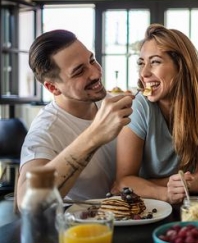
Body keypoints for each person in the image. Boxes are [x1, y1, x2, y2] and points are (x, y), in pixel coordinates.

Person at [17, 29, 134, 207]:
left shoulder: (113, 102)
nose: (95, 73)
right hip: (86, 228)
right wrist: (94, 136)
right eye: (79, 71)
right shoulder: (46, 131)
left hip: (141, 217)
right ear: (53, 88)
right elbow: (25, 203)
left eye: (92, 60)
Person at [112, 24, 198, 204]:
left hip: (189, 204)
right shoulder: (140, 105)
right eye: (141, 63)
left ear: (181, 66)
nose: (144, 73)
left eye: (155, 62)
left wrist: (146, 184)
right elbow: (122, 182)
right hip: (146, 205)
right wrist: (165, 191)